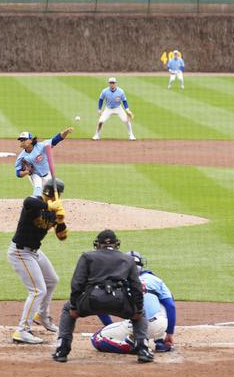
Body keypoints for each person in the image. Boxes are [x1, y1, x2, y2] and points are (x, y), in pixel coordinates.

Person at [52, 229, 152, 363]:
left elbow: (77, 283)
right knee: (141, 314)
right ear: (116, 244)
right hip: (119, 301)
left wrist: (75, 306)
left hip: (92, 300)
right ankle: (143, 349)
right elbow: (136, 288)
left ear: (97, 244)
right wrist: (138, 310)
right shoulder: (128, 259)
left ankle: (62, 350)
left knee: (67, 309)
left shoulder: (87, 256)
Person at [8, 179, 68, 345]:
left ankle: (41, 316)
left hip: (35, 251)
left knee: (52, 280)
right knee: (37, 290)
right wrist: (50, 207)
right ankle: (22, 331)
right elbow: (28, 202)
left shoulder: (54, 210)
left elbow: (62, 237)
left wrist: (61, 221)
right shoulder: (35, 203)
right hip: (20, 252)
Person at [91, 250, 177, 355]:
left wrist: (110, 325)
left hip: (135, 327)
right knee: (162, 299)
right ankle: (160, 342)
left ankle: (132, 345)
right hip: (160, 325)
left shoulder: (117, 281)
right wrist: (170, 333)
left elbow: (100, 306)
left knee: (96, 338)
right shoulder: (155, 279)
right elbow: (171, 306)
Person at [15, 127, 74, 195]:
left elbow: (57, 139)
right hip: (35, 174)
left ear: (31, 140)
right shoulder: (21, 157)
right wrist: (26, 172)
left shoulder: (41, 146)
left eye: (24, 140)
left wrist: (66, 132)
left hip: (47, 172)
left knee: (51, 191)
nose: (23, 142)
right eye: (21, 140)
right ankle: (35, 201)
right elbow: (18, 173)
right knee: (38, 187)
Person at [94, 76, 136, 141]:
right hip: (108, 108)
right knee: (101, 121)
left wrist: (127, 110)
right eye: (111, 83)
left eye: (113, 83)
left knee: (126, 120)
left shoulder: (121, 91)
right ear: (109, 83)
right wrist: (99, 109)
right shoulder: (105, 91)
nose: (112, 84)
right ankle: (97, 135)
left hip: (118, 108)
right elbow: (101, 99)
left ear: (115, 83)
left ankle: (131, 135)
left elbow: (124, 101)